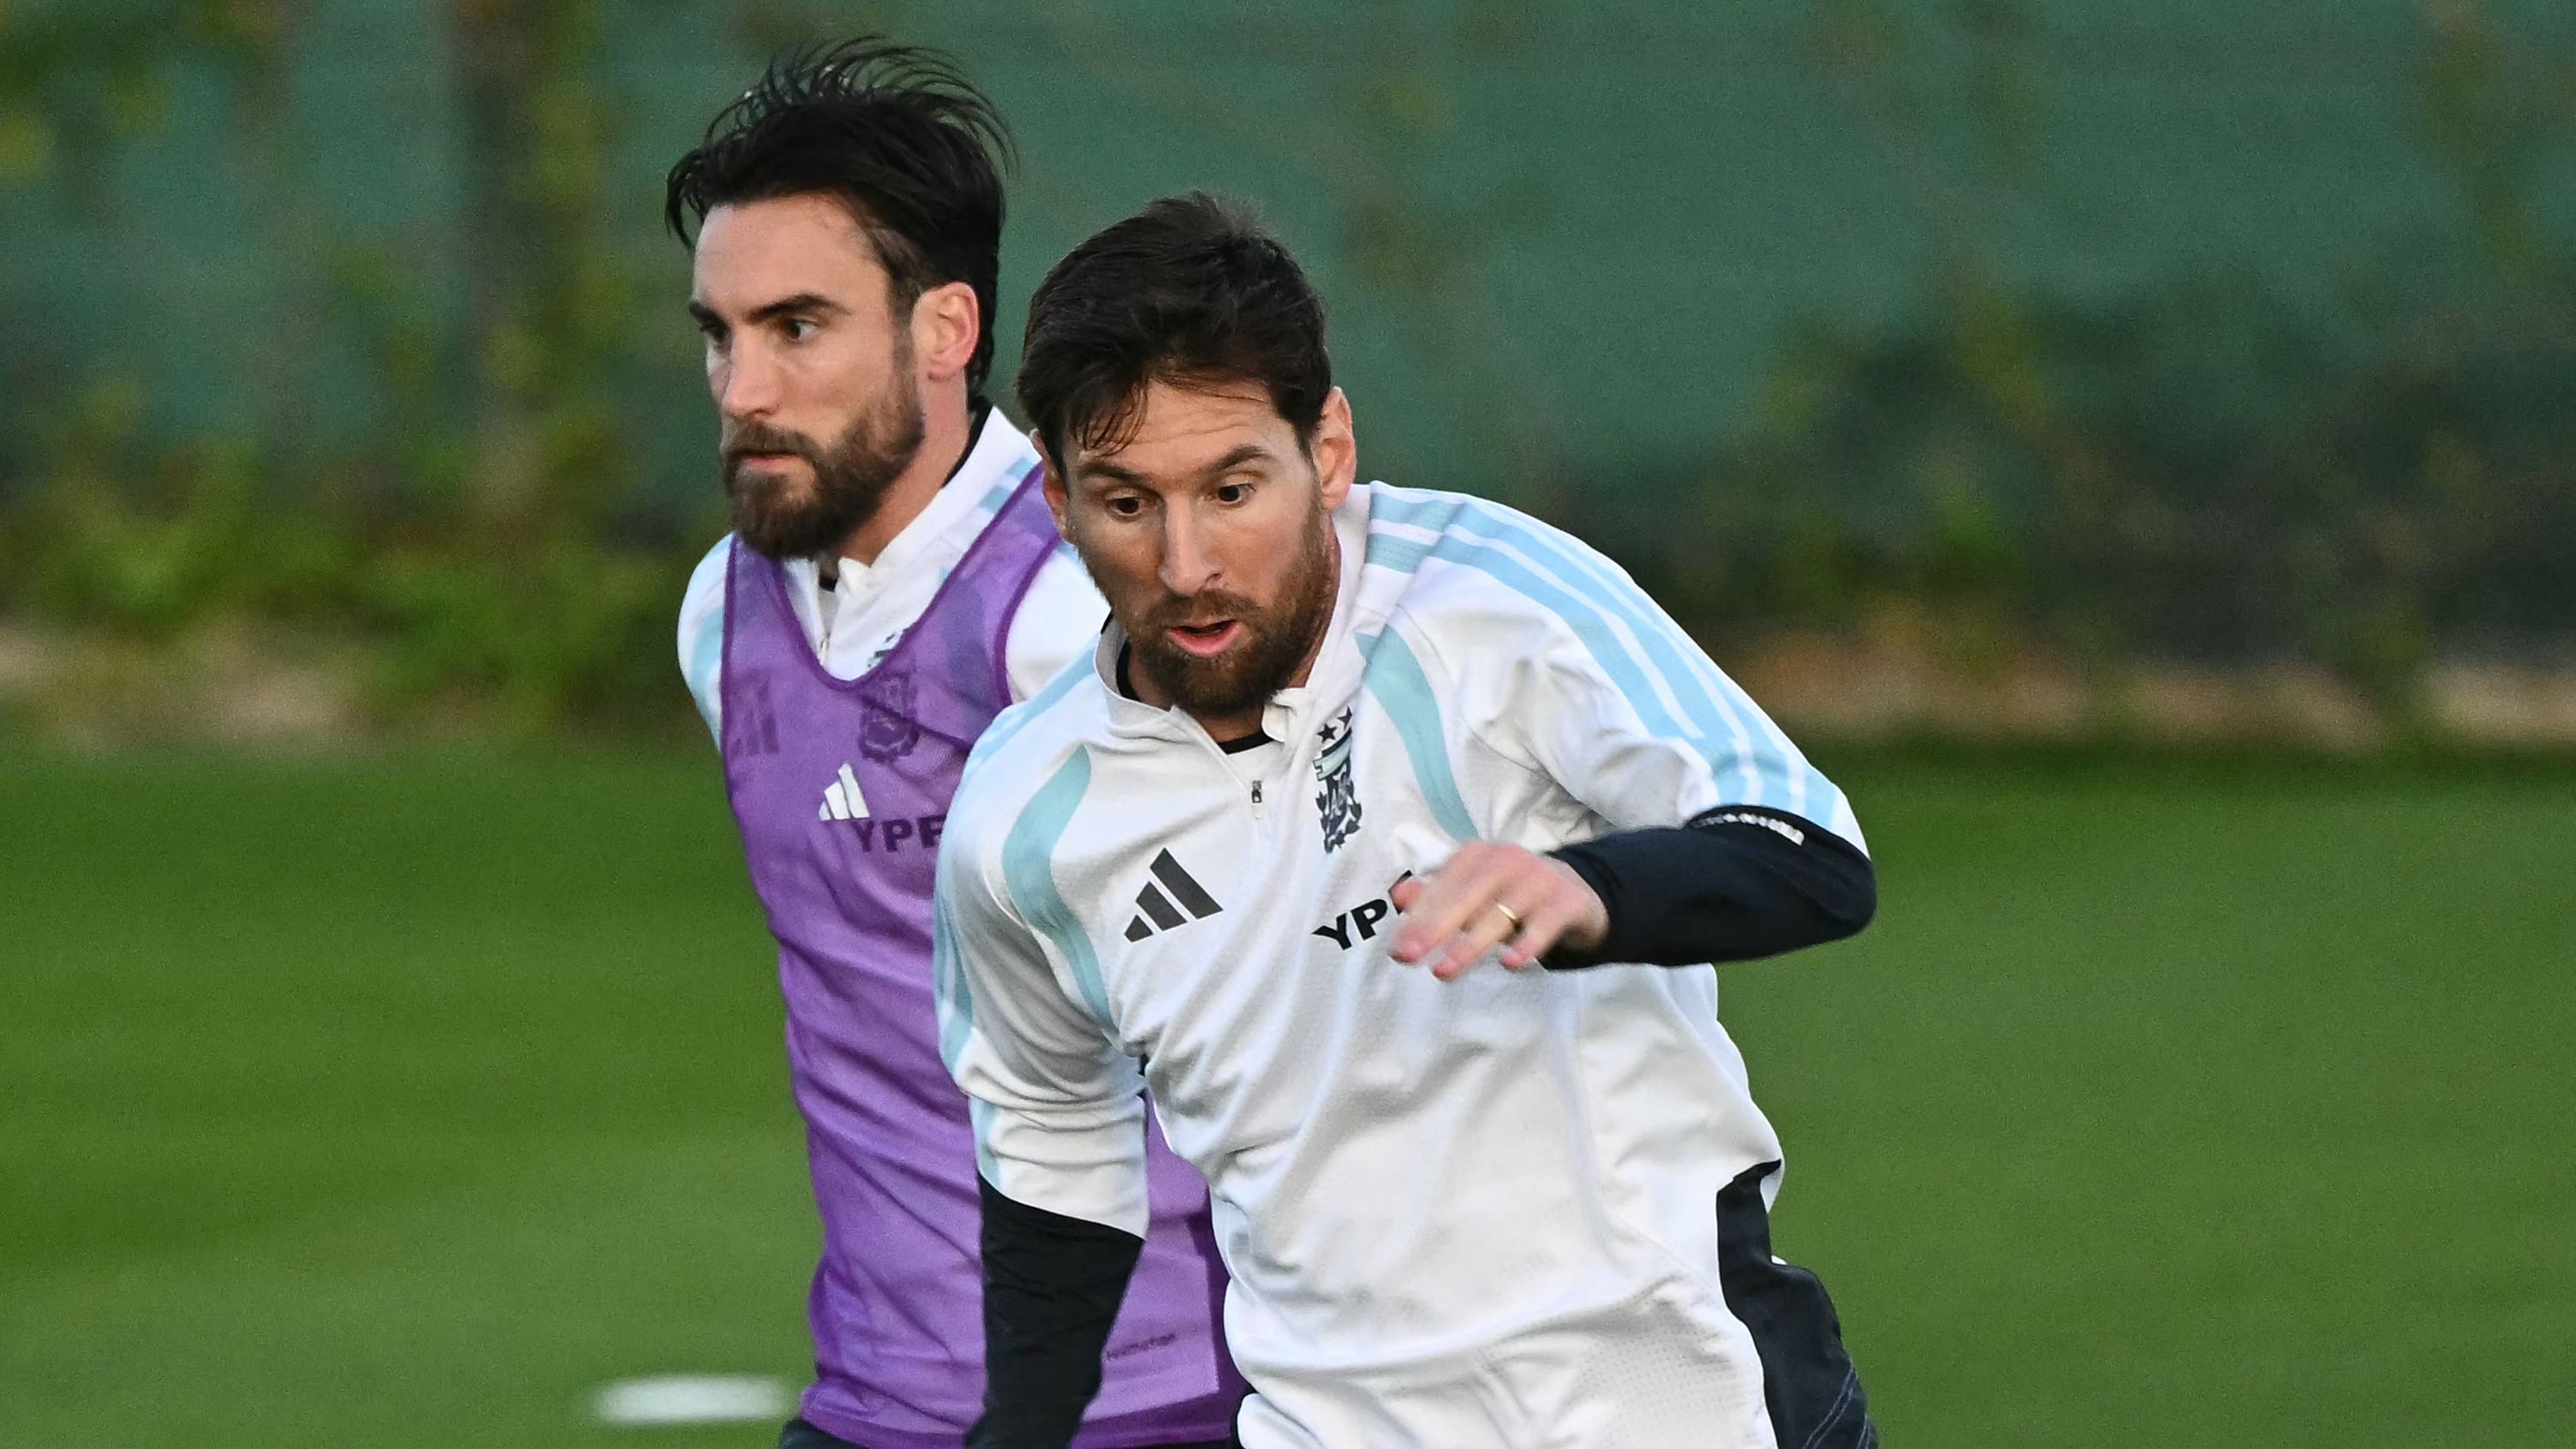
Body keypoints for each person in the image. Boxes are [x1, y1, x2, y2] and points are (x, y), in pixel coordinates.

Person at [933, 193, 1881, 1449]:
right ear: (1054, 494)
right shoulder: (1021, 824)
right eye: (1126, 504)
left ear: (1326, 449)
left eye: (1232, 488)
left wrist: (1599, 892)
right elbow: (1051, 1151)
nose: (1185, 563)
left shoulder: (1486, 603)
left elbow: (1812, 857)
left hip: (1681, 1405)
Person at [665, 44, 1243, 1449]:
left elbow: (1284, 1005)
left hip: (1164, 1405)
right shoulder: (720, 617)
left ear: (944, 330)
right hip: (878, 1403)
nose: (743, 388)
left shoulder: (1076, 616)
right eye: (720, 332)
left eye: (799, 327)